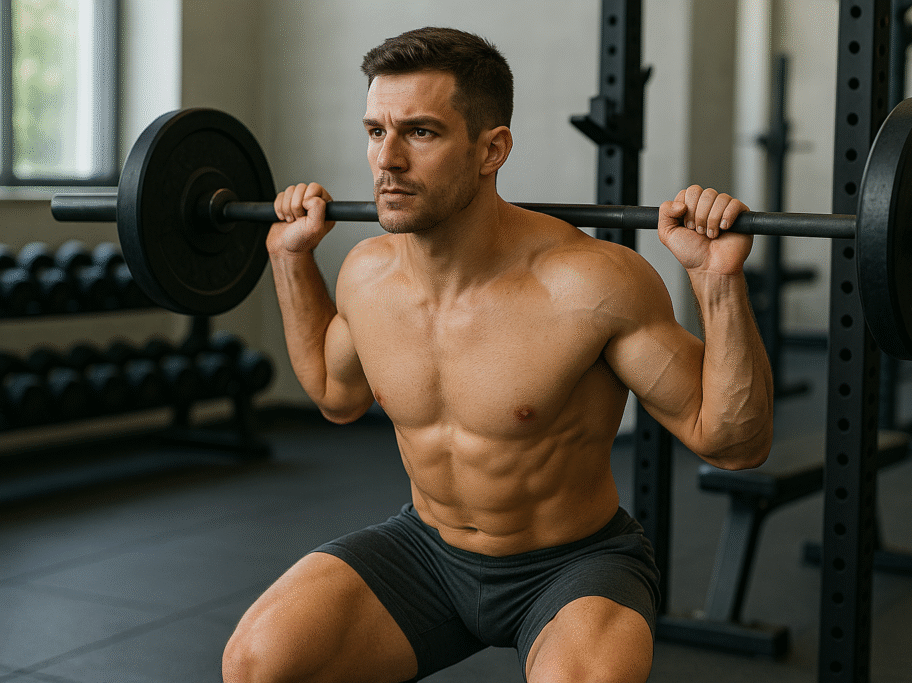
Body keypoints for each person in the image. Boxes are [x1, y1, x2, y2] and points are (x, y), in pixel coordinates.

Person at [223, 26, 773, 683]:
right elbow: (336, 397)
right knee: (259, 662)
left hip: (572, 563)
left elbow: (734, 442)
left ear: (492, 149)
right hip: (426, 550)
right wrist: (289, 260)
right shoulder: (367, 277)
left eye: (420, 133)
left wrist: (718, 283)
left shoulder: (591, 284)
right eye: (376, 131)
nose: (387, 160)